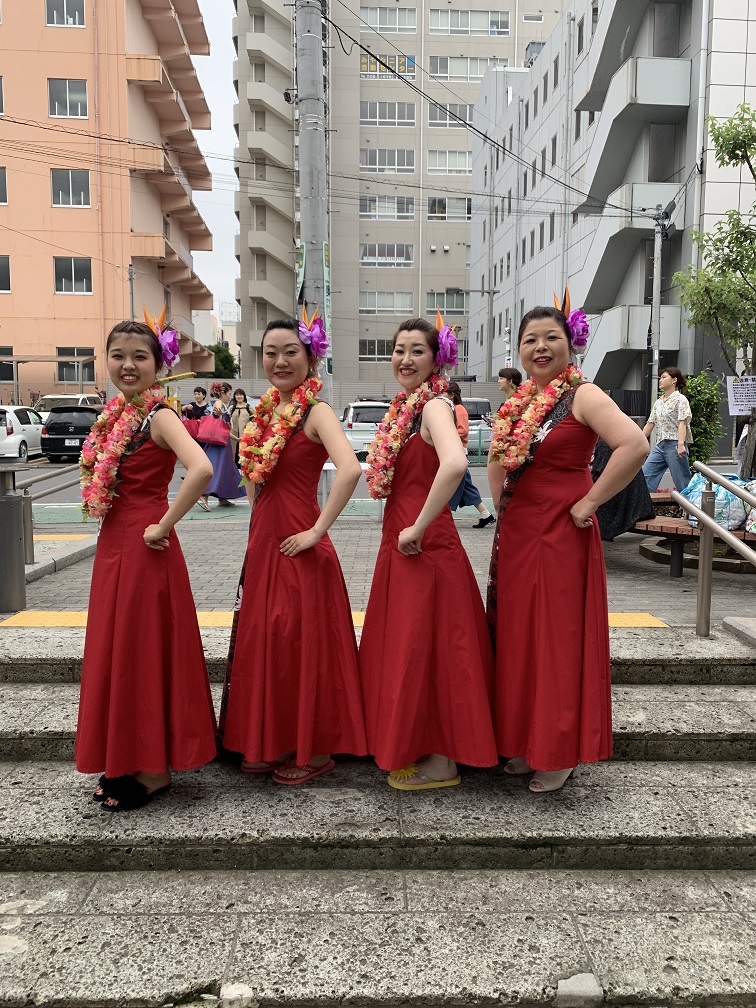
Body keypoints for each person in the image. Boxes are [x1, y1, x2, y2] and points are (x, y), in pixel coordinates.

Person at [487, 301, 648, 793]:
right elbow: (498, 461)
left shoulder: (584, 394)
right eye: (530, 340)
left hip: (560, 529)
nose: (540, 347)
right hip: (519, 532)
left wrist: (591, 502)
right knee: (518, 636)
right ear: (519, 350)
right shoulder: (518, 403)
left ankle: (557, 752)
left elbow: (634, 445)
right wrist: (502, 510)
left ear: (570, 343)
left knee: (555, 638)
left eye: (551, 338)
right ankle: (524, 739)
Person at [218, 313, 367, 784]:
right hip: (265, 537)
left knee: (298, 640)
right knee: (267, 637)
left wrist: (318, 530)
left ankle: (313, 750)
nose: (280, 361)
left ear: (310, 357)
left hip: (299, 540)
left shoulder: (316, 411)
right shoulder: (265, 412)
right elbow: (254, 475)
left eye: (291, 352)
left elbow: (350, 470)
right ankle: (273, 740)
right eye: (271, 353)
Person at [75, 318, 217, 811]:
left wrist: (164, 523)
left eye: (140, 356)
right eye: (118, 355)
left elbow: (201, 468)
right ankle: (127, 756)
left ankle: (155, 770)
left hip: (145, 547)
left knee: (143, 649)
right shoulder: (117, 414)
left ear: (159, 364)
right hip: (114, 545)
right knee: (120, 649)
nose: (128, 365)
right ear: (107, 360)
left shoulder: (159, 415)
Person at [359, 316, 498, 790]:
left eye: (417, 350)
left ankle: (443, 759)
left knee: (433, 648)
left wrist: (418, 525)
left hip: (423, 544)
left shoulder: (433, 406)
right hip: (408, 542)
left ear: (437, 359)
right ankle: (421, 743)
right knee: (418, 647)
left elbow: (455, 463)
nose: (405, 359)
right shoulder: (407, 408)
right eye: (399, 350)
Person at [442, 381, 494, 528]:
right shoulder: (455, 408)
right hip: (457, 451)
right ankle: (486, 514)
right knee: (465, 486)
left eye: (444, 393)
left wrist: (444, 434)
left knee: (450, 484)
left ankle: (444, 515)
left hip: (457, 451)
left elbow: (463, 430)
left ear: (452, 395)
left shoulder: (458, 409)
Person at [591, 438, 654, 541]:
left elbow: (601, 475)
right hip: (639, 504)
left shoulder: (606, 443)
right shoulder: (619, 440)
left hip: (625, 506)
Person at [641, 368, 693, 492]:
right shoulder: (658, 402)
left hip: (674, 444)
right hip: (660, 445)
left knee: (682, 483)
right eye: (660, 378)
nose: (660, 380)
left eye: (664, 377)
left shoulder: (681, 399)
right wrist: (638, 441)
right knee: (645, 477)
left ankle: (690, 504)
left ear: (674, 380)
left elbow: (682, 422)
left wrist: (681, 444)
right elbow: (650, 424)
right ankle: (644, 503)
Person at [198, 381, 246, 510]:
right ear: (223, 393)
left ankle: (223, 498)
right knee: (218, 469)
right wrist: (218, 414)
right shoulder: (219, 403)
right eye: (229, 393)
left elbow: (223, 428)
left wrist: (236, 438)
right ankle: (204, 494)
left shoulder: (221, 404)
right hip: (219, 445)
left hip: (221, 442)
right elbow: (216, 417)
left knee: (225, 470)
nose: (230, 396)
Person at [230, 388, 254, 466]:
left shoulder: (248, 407)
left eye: (241, 394)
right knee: (233, 454)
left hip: (245, 436)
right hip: (233, 436)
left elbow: (256, 418)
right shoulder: (231, 408)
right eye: (237, 395)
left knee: (244, 456)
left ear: (244, 396)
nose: (239, 396)